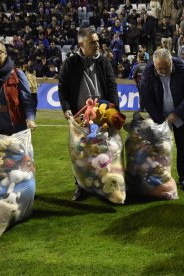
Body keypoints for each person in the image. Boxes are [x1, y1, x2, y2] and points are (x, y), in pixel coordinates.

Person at [58, 27, 119, 201]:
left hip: (102, 116)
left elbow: (112, 86)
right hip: (81, 119)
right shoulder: (70, 63)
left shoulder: (104, 62)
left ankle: (104, 186)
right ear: (81, 45)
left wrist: (114, 111)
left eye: (98, 41)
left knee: (104, 151)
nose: (97, 45)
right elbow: (62, 89)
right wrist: (66, 108)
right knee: (81, 153)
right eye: (93, 42)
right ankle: (81, 187)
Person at [140, 48, 184, 192]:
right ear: (154, 65)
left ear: (171, 60)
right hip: (159, 116)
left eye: (166, 67)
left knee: (183, 146)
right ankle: (159, 178)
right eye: (160, 68)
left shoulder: (183, 67)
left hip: (181, 116)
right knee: (158, 149)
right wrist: (161, 120)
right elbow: (147, 99)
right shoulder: (148, 72)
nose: (164, 70)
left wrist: (176, 114)